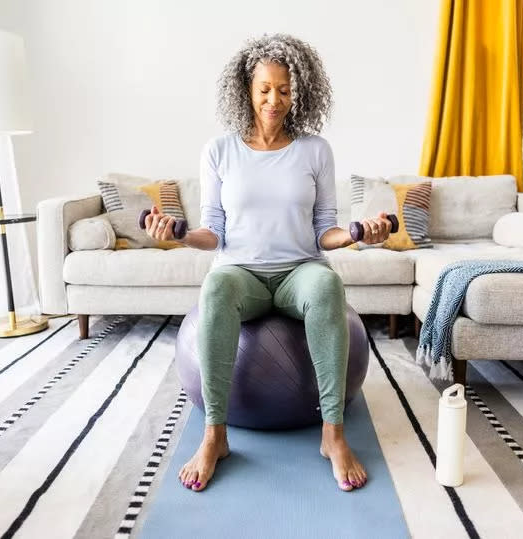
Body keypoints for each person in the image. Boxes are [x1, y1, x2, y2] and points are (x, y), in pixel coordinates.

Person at [143, 33, 392, 492]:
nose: (274, 100)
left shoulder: (315, 150)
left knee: (327, 288)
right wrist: (177, 235)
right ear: (247, 90)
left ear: (300, 92)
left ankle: (332, 435)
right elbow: (212, 229)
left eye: (284, 89)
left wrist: (359, 233)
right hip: (241, 274)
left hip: (300, 270)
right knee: (216, 287)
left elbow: (325, 230)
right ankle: (215, 436)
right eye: (264, 89)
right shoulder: (219, 151)